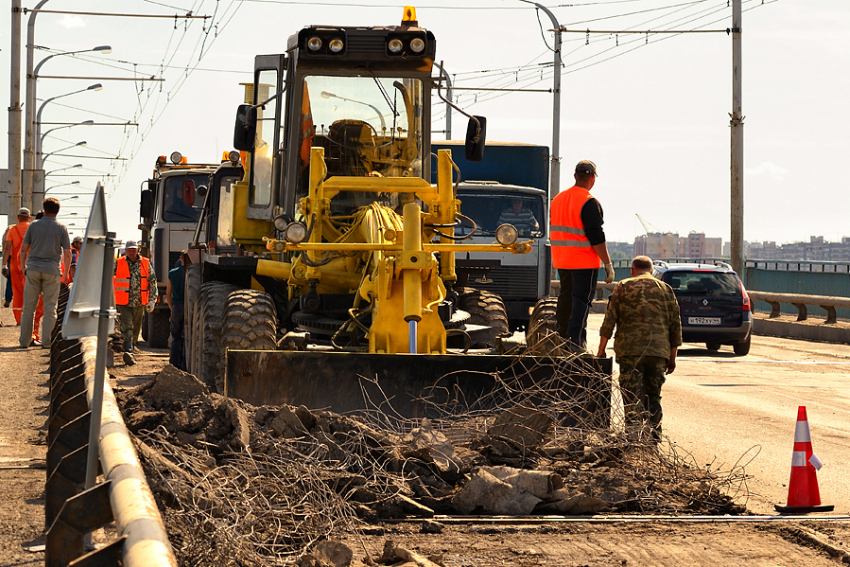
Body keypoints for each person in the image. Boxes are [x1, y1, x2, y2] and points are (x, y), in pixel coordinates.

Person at [597, 256, 682, 439]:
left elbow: (609, 320)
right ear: (651, 271)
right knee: (654, 396)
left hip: (630, 352)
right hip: (658, 352)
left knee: (631, 397)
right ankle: (653, 438)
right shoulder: (666, 289)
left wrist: (601, 350)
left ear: (632, 270)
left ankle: (634, 438)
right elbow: (675, 326)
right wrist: (672, 357)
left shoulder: (623, 286)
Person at [550, 159, 615, 352]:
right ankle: (575, 343)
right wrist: (607, 263)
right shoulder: (589, 201)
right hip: (584, 261)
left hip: (562, 260)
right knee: (581, 301)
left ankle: (562, 338)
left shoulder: (558, 199)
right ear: (593, 179)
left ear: (575, 176)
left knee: (566, 298)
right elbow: (596, 235)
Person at [19, 198, 71, 348]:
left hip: (33, 269)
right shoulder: (61, 228)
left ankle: (24, 341)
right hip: (52, 271)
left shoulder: (33, 226)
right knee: (50, 308)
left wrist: (23, 267)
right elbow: (67, 254)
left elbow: (23, 249)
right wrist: (66, 273)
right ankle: (47, 342)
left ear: (44, 209)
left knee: (29, 307)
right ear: (57, 211)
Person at [114, 240, 157, 365]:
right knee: (127, 326)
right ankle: (128, 351)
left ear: (137, 250)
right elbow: (106, 276)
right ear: (125, 251)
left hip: (140, 302)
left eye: (133, 249)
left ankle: (131, 348)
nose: (131, 252)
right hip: (124, 303)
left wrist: (152, 300)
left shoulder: (145, 263)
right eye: (129, 250)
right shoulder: (119, 263)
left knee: (136, 328)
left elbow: (153, 281)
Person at [5, 208, 32, 322]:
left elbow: (7, 248)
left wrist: (3, 265)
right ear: (29, 218)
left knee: (17, 291)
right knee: (30, 290)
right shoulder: (33, 229)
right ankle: (29, 317)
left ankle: (19, 319)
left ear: (18, 217)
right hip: (30, 262)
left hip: (15, 263)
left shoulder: (12, 230)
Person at [166, 251, 189, 370]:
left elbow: (168, 295)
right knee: (187, 337)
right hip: (188, 308)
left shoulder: (172, 273)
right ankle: (184, 364)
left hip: (176, 307)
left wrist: (172, 308)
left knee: (176, 336)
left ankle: (174, 364)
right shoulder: (191, 273)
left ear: (180, 258)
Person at [2, 225, 13, 308]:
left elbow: (5, 245)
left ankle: (8, 299)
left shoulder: (9, 230)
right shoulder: (27, 228)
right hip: (22, 257)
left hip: (10, 257)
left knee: (10, 279)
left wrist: (4, 263)